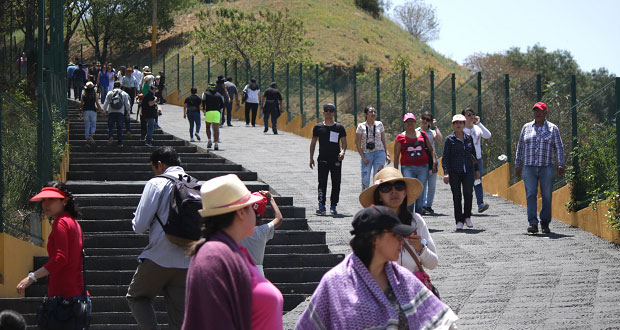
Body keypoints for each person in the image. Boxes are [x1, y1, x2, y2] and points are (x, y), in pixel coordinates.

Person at [296, 205, 457, 330]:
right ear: (375, 239)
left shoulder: (402, 278)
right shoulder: (335, 282)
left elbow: (442, 321)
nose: (401, 241)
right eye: (395, 236)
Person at [182, 174, 283, 330]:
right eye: (251, 207)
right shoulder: (214, 257)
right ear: (240, 213)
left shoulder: (229, 251)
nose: (257, 215)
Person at [126, 147, 191, 330]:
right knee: (179, 319)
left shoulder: (157, 183)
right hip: (188, 259)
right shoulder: (195, 184)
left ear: (160, 165)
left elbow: (139, 226)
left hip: (160, 256)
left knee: (137, 296)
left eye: (153, 168)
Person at [16, 182, 91, 316]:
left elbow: (60, 259)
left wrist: (32, 277)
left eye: (51, 199)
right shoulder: (73, 222)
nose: (45, 203)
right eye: (43, 199)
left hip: (65, 299)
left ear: (65, 201)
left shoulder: (61, 222)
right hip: (77, 296)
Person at [359, 167, 438, 274]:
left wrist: (420, 248)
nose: (394, 191)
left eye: (399, 186)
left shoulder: (416, 221)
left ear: (405, 192)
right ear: (379, 196)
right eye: (386, 188)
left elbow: (432, 264)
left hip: (413, 289)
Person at [515, 101, 565, 234]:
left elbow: (559, 147)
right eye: (535, 111)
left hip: (546, 167)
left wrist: (560, 163)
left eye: (540, 111)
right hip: (529, 167)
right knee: (530, 194)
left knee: (547, 195)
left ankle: (545, 223)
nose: (537, 113)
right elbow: (520, 146)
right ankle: (533, 223)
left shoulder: (553, 128)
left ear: (545, 113)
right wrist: (517, 164)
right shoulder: (526, 127)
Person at [442, 114, 480, 230]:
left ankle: (467, 216)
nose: (458, 125)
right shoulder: (449, 139)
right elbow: (445, 157)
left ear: (464, 125)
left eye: (460, 123)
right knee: (457, 195)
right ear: (453, 125)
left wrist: (477, 170)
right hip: (454, 172)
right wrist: (446, 172)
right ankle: (459, 220)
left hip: (468, 170)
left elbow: (473, 154)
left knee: (468, 193)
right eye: (456, 123)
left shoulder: (469, 138)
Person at [394, 113, 437, 215]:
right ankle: (409, 217)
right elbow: (396, 156)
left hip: (423, 167)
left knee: (420, 192)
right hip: (407, 168)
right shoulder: (400, 137)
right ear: (404, 123)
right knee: (410, 191)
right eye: (408, 121)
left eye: (412, 121)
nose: (410, 124)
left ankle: (418, 217)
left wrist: (434, 161)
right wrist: (395, 171)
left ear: (415, 122)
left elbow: (431, 150)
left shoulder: (422, 135)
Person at [310, 103, 347, 215]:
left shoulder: (339, 127)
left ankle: (333, 205)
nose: (329, 112)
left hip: (336, 159)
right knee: (322, 182)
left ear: (334, 113)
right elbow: (313, 143)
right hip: (322, 159)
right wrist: (311, 158)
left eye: (331, 110)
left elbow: (344, 142)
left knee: (336, 182)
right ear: (323, 112)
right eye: (326, 110)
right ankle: (321, 205)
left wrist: (342, 152)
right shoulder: (318, 127)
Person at [241, 191, 283, 276]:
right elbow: (279, 219)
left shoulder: (237, 230)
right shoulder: (262, 231)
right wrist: (271, 199)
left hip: (240, 271)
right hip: (257, 273)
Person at [462, 107, 491, 213]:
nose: (470, 116)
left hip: (477, 159)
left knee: (478, 181)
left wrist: (479, 123)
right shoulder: (461, 129)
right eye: (467, 114)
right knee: (467, 183)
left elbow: (488, 135)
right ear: (463, 116)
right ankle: (467, 207)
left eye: (472, 114)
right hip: (465, 159)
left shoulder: (477, 128)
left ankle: (480, 204)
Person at [355, 105, 391, 190]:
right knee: (365, 178)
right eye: (371, 112)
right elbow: (357, 143)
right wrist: (363, 157)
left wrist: (387, 153)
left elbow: (383, 140)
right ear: (366, 114)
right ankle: (365, 197)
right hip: (367, 154)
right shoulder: (361, 126)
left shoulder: (379, 124)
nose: (373, 113)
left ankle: (377, 198)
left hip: (379, 153)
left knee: (378, 177)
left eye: (374, 112)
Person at [417, 111, 443, 215]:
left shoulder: (432, 132)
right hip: (420, 160)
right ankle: (422, 205)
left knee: (432, 185)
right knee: (422, 184)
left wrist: (435, 126)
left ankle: (428, 205)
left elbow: (440, 139)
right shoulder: (416, 132)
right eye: (424, 118)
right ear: (420, 119)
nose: (425, 121)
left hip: (432, 160)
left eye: (428, 120)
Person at [103, 81, 131, 147]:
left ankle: (110, 136)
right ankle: (120, 142)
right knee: (120, 127)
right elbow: (127, 103)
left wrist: (104, 111)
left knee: (111, 126)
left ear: (114, 86)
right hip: (120, 112)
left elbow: (106, 102)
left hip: (111, 112)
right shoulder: (124, 93)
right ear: (120, 86)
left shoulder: (110, 93)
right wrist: (128, 112)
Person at [201, 83, 224, 150]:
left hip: (209, 112)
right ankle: (216, 143)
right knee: (216, 129)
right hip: (216, 112)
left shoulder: (205, 94)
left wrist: (204, 109)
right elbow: (222, 105)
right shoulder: (219, 95)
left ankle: (209, 140)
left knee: (208, 127)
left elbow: (203, 102)